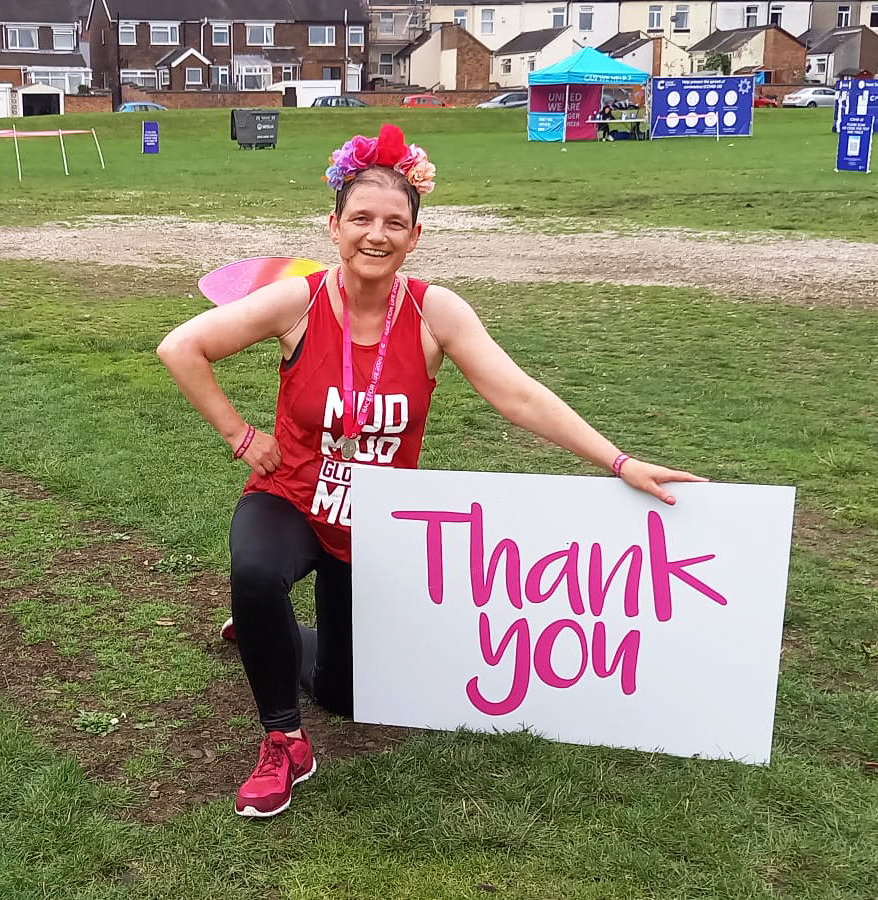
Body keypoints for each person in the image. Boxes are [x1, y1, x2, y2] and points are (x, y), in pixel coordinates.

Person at [156, 123, 705, 819]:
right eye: (360, 219)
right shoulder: (296, 303)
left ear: (415, 237)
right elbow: (181, 347)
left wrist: (618, 460)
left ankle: (262, 628)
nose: (376, 234)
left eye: (394, 222)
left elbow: (519, 395)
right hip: (292, 497)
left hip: (378, 522)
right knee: (259, 571)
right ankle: (284, 741)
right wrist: (241, 436)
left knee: (348, 695)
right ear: (334, 227)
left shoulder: (434, 311)